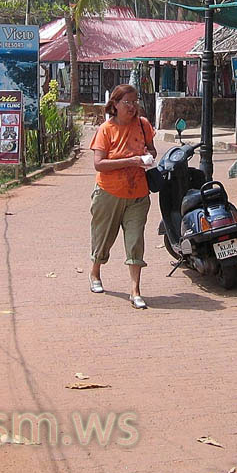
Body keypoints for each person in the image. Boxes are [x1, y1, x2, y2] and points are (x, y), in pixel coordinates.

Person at [89, 83, 157, 309]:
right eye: (127, 102)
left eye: (135, 101)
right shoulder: (106, 130)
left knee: (135, 240)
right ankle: (95, 272)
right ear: (115, 105)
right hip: (109, 193)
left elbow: (152, 149)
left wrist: (148, 156)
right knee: (103, 237)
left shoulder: (143, 125)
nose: (132, 106)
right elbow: (99, 164)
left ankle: (135, 289)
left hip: (138, 194)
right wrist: (130, 161)